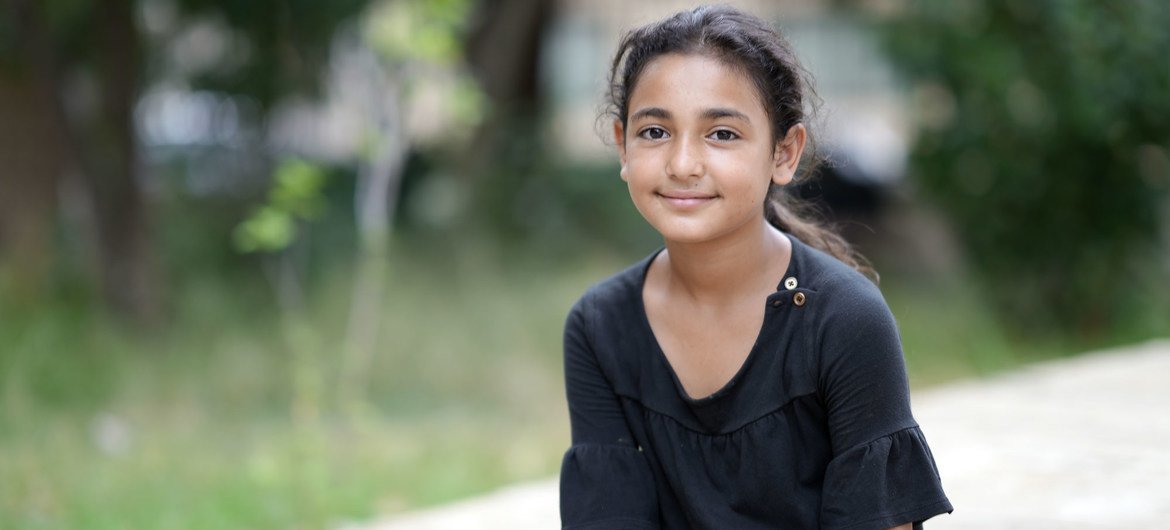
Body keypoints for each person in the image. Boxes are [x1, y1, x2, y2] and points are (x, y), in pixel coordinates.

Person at [558, 5, 952, 529]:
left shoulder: (845, 320)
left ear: (784, 153)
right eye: (654, 132)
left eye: (721, 134)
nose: (682, 164)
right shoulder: (600, 325)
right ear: (622, 146)